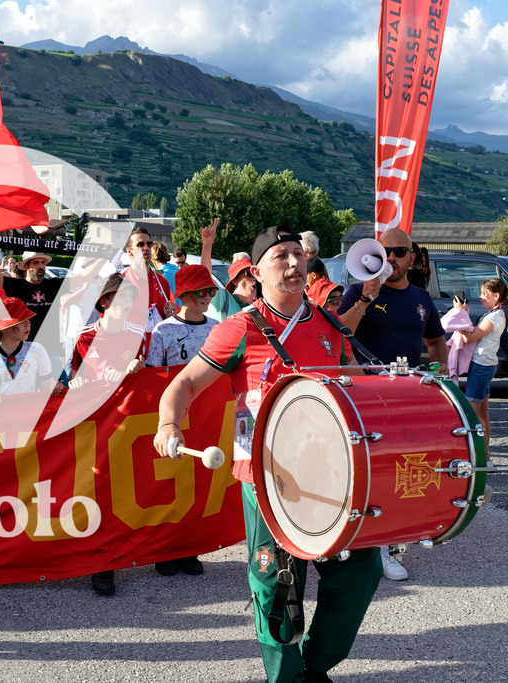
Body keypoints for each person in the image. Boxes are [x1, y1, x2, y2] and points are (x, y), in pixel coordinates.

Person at [154, 227, 379, 683]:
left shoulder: (330, 326)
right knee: (275, 583)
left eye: (298, 254)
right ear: (256, 272)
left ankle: (316, 665)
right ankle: (286, 677)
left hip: (332, 473)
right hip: (267, 477)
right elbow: (184, 384)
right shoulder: (238, 328)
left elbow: (357, 390)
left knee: (360, 569)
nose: (294, 263)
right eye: (281, 256)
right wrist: (167, 423)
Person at [335, 227, 447, 582]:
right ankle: (354, 535)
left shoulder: (420, 298)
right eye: (387, 252)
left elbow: (436, 339)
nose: (393, 258)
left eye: (400, 252)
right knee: (362, 467)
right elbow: (339, 334)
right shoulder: (357, 291)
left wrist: (444, 371)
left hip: (407, 396)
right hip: (365, 395)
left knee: (400, 468)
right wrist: (367, 297)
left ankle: (387, 544)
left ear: (411, 258)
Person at [70, 274, 146, 597]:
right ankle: (103, 564)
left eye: (130, 301)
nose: (127, 307)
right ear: (104, 303)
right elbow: (72, 381)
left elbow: (157, 379)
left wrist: (140, 370)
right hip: (95, 430)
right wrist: (76, 384)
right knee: (100, 493)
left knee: (131, 493)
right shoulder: (83, 338)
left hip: (130, 429)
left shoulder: (141, 337)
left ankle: (152, 552)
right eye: (121, 300)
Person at [144, 265, 220, 579]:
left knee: (198, 483)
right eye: (202, 291)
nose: (208, 296)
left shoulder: (217, 327)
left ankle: (190, 547)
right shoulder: (163, 331)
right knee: (168, 484)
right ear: (184, 296)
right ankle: (166, 548)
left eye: (211, 291)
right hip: (175, 417)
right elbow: (151, 377)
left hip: (208, 416)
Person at [452, 279, 507, 456]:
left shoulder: (495, 316)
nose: (481, 297)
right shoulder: (495, 313)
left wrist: (460, 314)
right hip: (485, 364)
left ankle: (475, 457)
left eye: (485, 294)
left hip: (482, 366)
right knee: (483, 414)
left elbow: (470, 338)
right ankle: (485, 456)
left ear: (496, 295)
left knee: (471, 414)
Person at [0, 297, 64, 403]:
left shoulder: (36, 350)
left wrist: (54, 385)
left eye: (28, 319)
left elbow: (47, 385)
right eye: (21, 320)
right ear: (3, 328)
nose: (28, 324)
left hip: (28, 414)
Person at [121, 228, 175, 347]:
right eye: (140, 244)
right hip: (132, 352)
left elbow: (169, 320)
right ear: (129, 251)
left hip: (159, 350)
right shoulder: (121, 283)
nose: (146, 248)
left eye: (149, 244)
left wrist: (169, 316)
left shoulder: (162, 282)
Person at [0, 251, 61, 341]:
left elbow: (81, 278)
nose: (41, 266)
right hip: (23, 346)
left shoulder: (53, 285)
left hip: (50, 346)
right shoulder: (16, 285)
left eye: (43, 263)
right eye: (36, 263)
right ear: (26, 266)